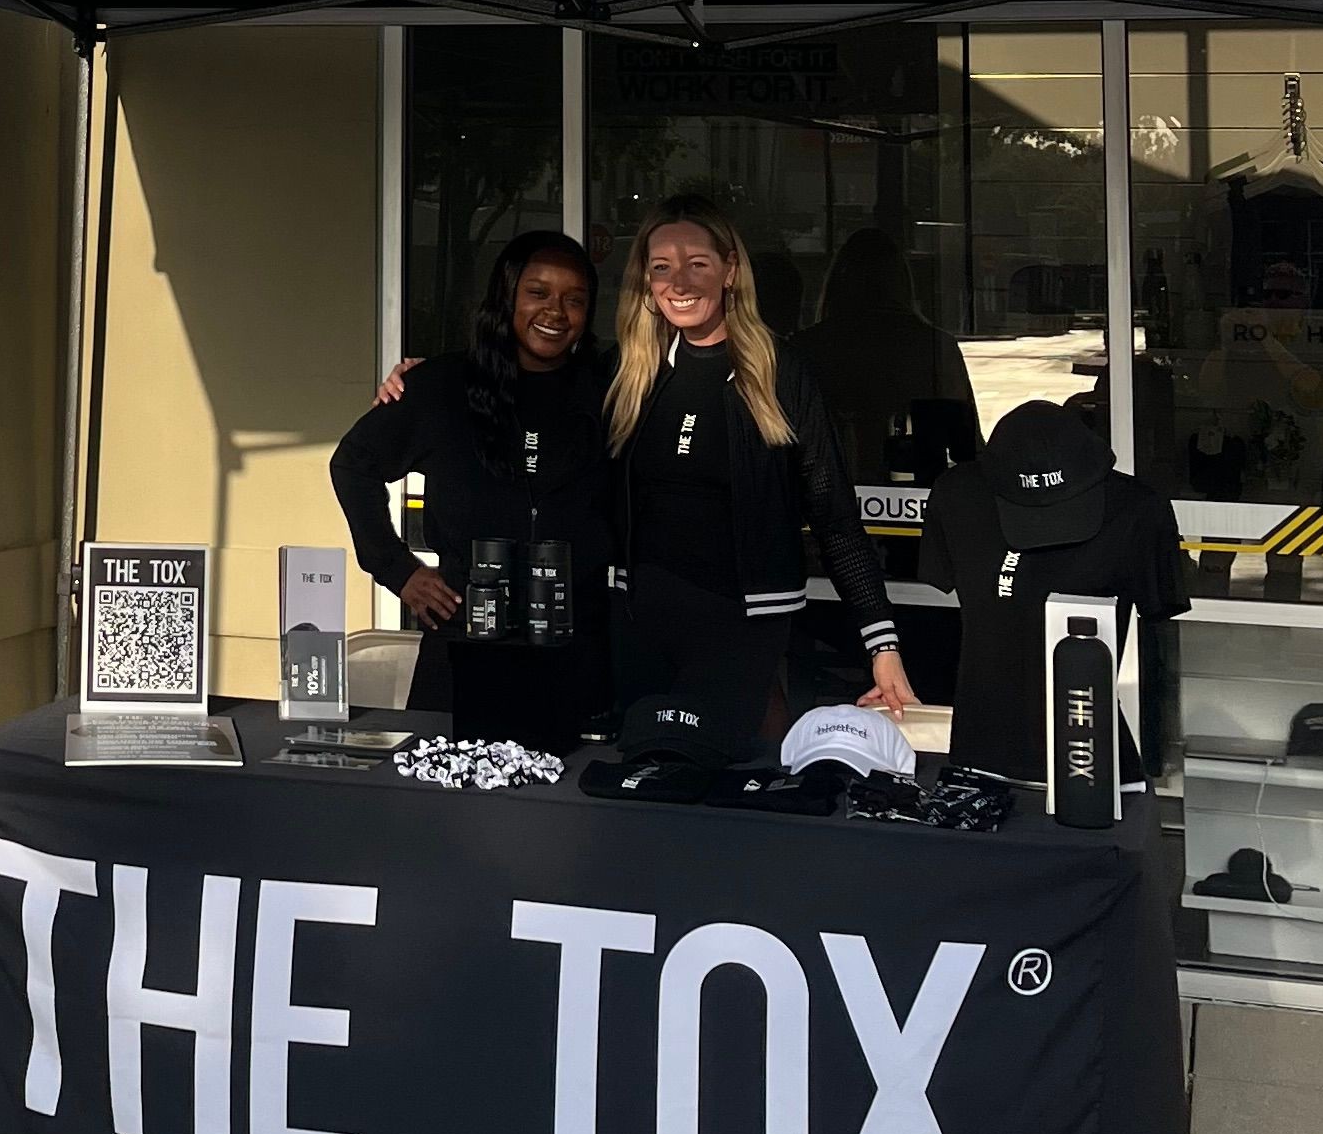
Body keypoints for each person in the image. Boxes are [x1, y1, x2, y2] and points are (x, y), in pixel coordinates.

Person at [610, 205, 913, 757]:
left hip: (739, 627)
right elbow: (528, 389)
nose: (678, 282)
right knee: (637, 785)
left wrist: (881, 642)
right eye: (661, 267)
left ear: (729, 271)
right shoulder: (630, 369)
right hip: (639, 623)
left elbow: (834, 516)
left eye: (696, 264)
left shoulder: (780, 371)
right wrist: (417, 380)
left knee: (712, 782)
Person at [331, 228, 612, 751]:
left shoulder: (610, 389)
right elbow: (353, 465)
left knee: (571, 813)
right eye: (538, 292)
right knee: (442, 814)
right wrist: (397, 569)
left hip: (579, 648)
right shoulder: (442, 386)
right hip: (465, 642)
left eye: (574, 299)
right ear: (507, 295)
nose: (555, 311)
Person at [919, 395, 1187, 782]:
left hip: (1092, 763)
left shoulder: (1139, 509)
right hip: (980, 759)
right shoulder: (955, 496)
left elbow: (1161, 640)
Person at [789, 226, 977, 482]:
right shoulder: (934, 346)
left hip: (826, 495)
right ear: (901, 282)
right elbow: (966, 447)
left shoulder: (805, 348)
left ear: (837, 282)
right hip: (917, 498)